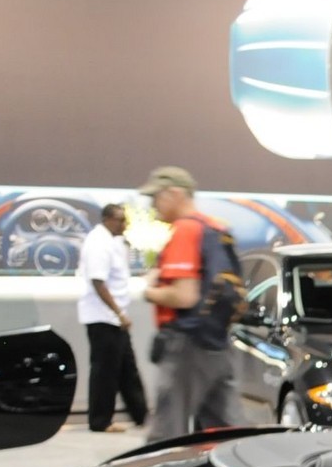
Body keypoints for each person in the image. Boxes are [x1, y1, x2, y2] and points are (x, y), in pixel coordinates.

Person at [137, 165, 241, 441]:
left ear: (173, 194)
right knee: (223, 432)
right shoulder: (216, 228)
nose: (153, 205)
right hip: (218, 342)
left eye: (156, 197)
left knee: (167, 435)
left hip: (186, 345)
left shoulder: (184, 231)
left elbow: (185, 296)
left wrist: (149, 291)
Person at [78, 201, 148, 432]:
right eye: (120, 220)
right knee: (105, 371)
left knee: (127, 368)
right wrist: (117, 312)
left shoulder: (113, 242)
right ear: (108, 219)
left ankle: (141, 415)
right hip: (103, 317)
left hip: (115, 317)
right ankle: (100, 421)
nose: (124, 224)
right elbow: (98, 282)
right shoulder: (98, 243)